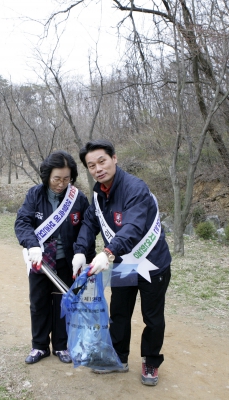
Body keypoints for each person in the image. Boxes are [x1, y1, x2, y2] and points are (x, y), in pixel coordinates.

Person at [72, 139, 172, 386]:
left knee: (153, 317)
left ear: (114, 158)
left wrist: (107, 252)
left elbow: (133, 227)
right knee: (119, 312)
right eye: (91, 165)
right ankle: (118, 357)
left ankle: (150, 360)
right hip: (123, 263)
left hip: (151, 263)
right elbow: (89, 224)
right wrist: (80, 253)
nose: (98, 168)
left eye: (102, 161)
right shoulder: (97, 193)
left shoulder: (135, 188)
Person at [14, 150, 95, 365]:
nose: (61, 184)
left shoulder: (78, 198)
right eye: (56, 178)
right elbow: (22, 223)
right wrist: (32, 245)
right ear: (47, 176)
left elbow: (87, 229)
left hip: (67, 261)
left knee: (64, 303)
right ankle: (39, 346)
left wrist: (84, 255)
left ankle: (61, 345)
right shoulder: (34, 195)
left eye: (66, 179)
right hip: (40, 260)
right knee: (39, 302)